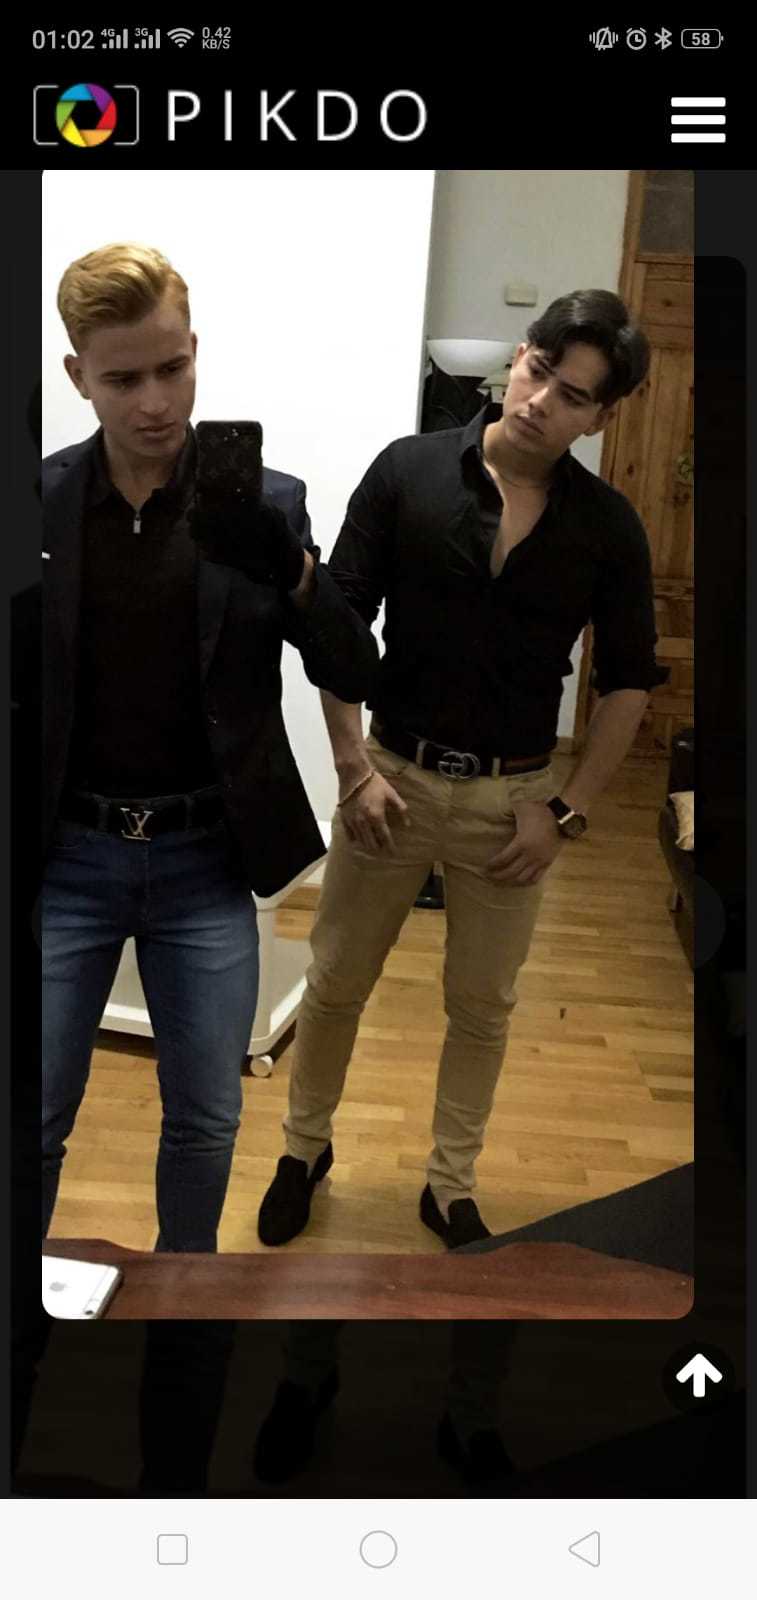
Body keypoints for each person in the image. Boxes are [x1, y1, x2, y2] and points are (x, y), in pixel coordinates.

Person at [258, 288, 663, 1250]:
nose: (540, 403)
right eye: (538, 372)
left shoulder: (608, 527)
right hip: (389, 782)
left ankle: (449, 1183)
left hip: (512, 804)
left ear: (600, 418)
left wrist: (565, 812)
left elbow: (628, 684)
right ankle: (302, 1149)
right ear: (518, 357)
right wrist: (351, 768)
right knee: (336, 982)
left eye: (572, 397)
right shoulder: (407, 471)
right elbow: (339, 625)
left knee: (481, 1008)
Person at [42, 242, 377, 1252]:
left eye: (173, 368)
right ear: (78, 376)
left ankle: (184, 1300)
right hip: (66, 858)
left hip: (205, 860)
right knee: (35, 1115)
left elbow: (352, 664)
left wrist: (299, 574)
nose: (155, 402)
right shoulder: (41, 501)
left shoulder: (264, 501)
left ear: (195, 350)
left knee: (207, 1117)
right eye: (124, 380)